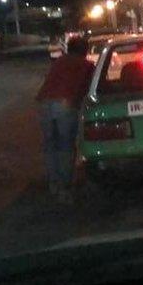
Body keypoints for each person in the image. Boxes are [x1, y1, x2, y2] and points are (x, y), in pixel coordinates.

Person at [36, 36, 94, 204]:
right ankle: (64, 187)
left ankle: (53, 183)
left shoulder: (59, 62)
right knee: (66, 146)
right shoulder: (86, 65)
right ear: (84, 50)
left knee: (50, 145)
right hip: (66, 103)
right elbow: (89, 89)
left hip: (44, 102)